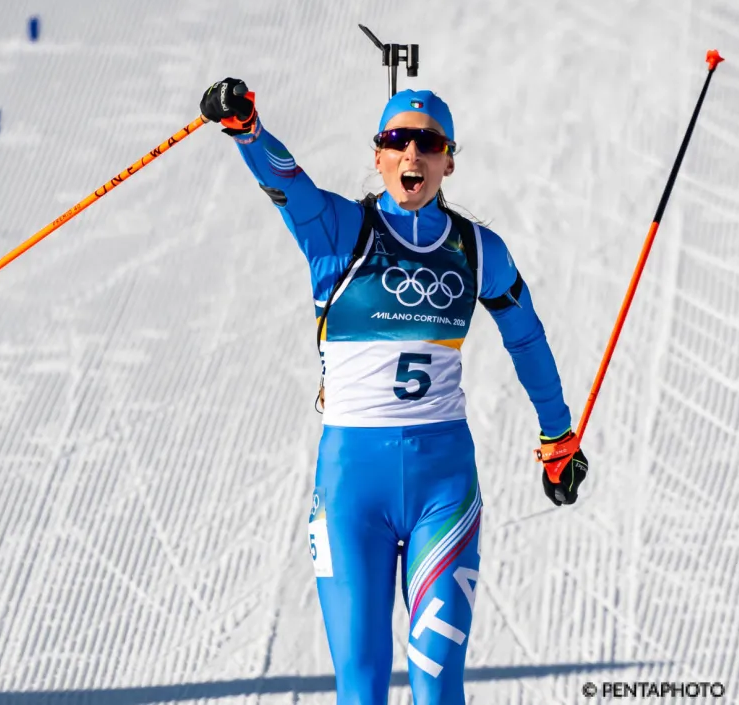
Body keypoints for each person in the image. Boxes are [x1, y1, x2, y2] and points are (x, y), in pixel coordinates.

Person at [200, 78, 590, 704]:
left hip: (444, 488)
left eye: (429, 144)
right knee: (362, 682)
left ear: (449, 161)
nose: (413, 154)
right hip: (352, 489)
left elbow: (527, 339)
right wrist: (247, 129)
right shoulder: (338, 231)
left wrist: (558, 434)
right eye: (398, 140)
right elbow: (286, 181)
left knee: (436, 684)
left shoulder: (477, 250)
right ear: (378, 154)